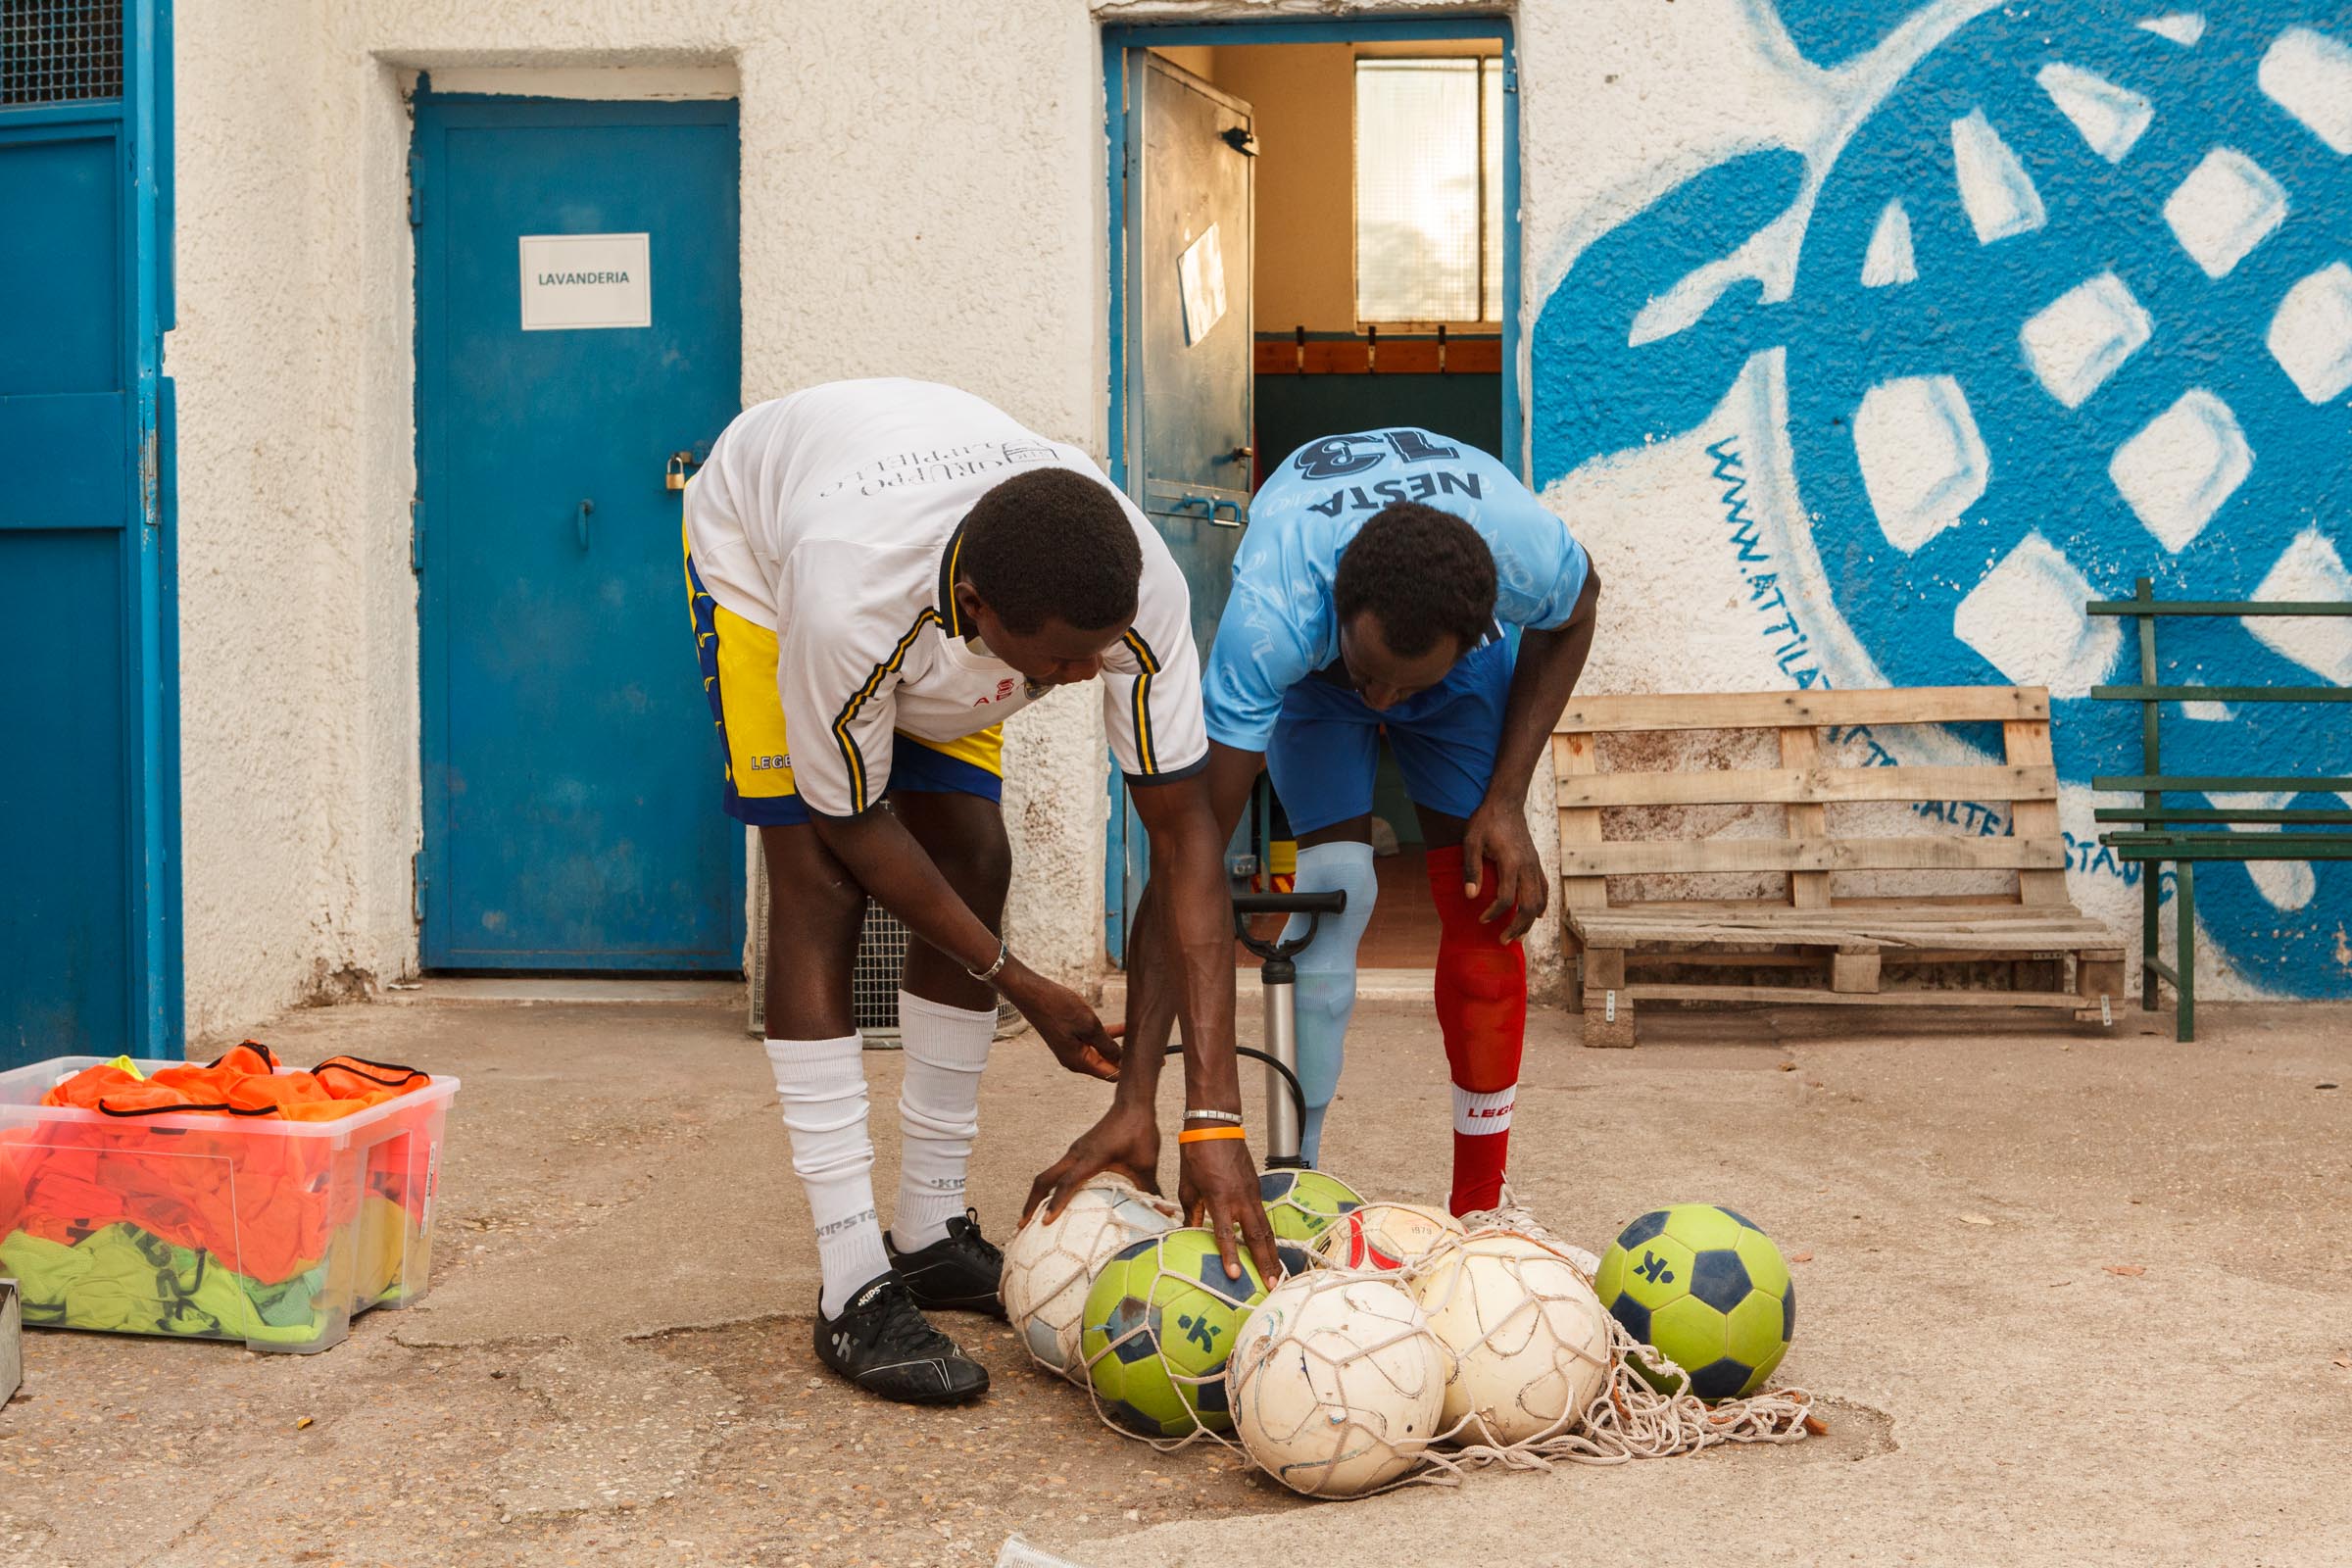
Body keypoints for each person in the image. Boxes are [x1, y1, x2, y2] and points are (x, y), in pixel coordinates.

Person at [685, 379, 1273, 1406]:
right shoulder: (845, 598)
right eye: (1061, 659)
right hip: (761, 551)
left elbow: (1186, 839)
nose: (1091, 674)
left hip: (923, 549)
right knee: (819, 886)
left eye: (1101, 647)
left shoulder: (1129, 590)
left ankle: (927, 1231)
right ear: (978, 612)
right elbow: (857, 827)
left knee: (977, 857)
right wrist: (1019, 983)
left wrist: (1208, 1117)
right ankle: (852, 1280)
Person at [1032, 426, 1598, 1221]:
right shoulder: (1276, 616)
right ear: (1334, 607)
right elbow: (1185, 859)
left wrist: (1507, 798)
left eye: (1401, 690)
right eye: (1370, 677)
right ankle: (1299, 1185)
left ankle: (1480, 1209)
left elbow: (1578, 612)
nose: (1381, 706)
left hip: (1459, 678)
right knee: (1336, 888)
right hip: (1314, 678)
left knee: (1485, 903)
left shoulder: (1524, 553)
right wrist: (1139, 1099)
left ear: (1481, 628)